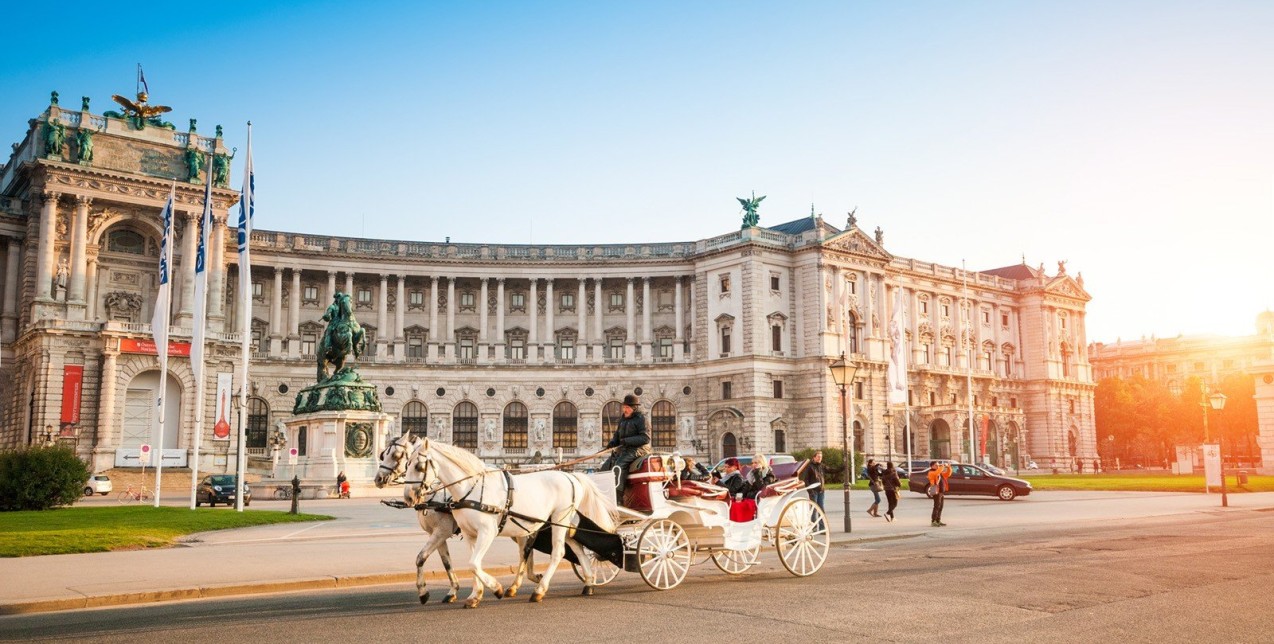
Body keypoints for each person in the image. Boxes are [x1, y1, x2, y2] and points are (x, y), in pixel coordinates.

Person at [599, 393, 652, 500]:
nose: (624, 410)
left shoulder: (641, 419)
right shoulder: (623, 419)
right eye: (624, 407)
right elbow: (617, 434)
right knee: (605, 466)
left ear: (634, 408)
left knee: (618, 466)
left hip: (639, 449)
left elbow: (645, 438)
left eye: (627, 407)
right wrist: (612, 443)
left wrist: (626, 441)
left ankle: (618, 497)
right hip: (624, 448)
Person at [801, 451, 826, 529]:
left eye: (821, 457)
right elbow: (806, 480)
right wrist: (810, 491)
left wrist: (842, 467)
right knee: (813, 509)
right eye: (818, 457)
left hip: (821, 491)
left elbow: (831, 470)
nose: (819, 458)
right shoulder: (810, 467)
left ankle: (822, 527)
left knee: (821, 509)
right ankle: (814, 527)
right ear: (814, 457)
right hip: (813, 491)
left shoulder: (821, 466)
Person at [928, 462, 952, 527]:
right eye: (936, 465)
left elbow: (948, 474)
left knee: (940, 507)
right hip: (936, 491)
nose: (938, 466)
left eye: (938, 465)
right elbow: (936, 473)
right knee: (936, 506)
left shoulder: (939, 472)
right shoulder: (931, 472)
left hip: (941, 492)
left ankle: (938, 520)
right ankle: (933, 521)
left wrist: (949, 467)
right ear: (932, 466)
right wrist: (943, 466)